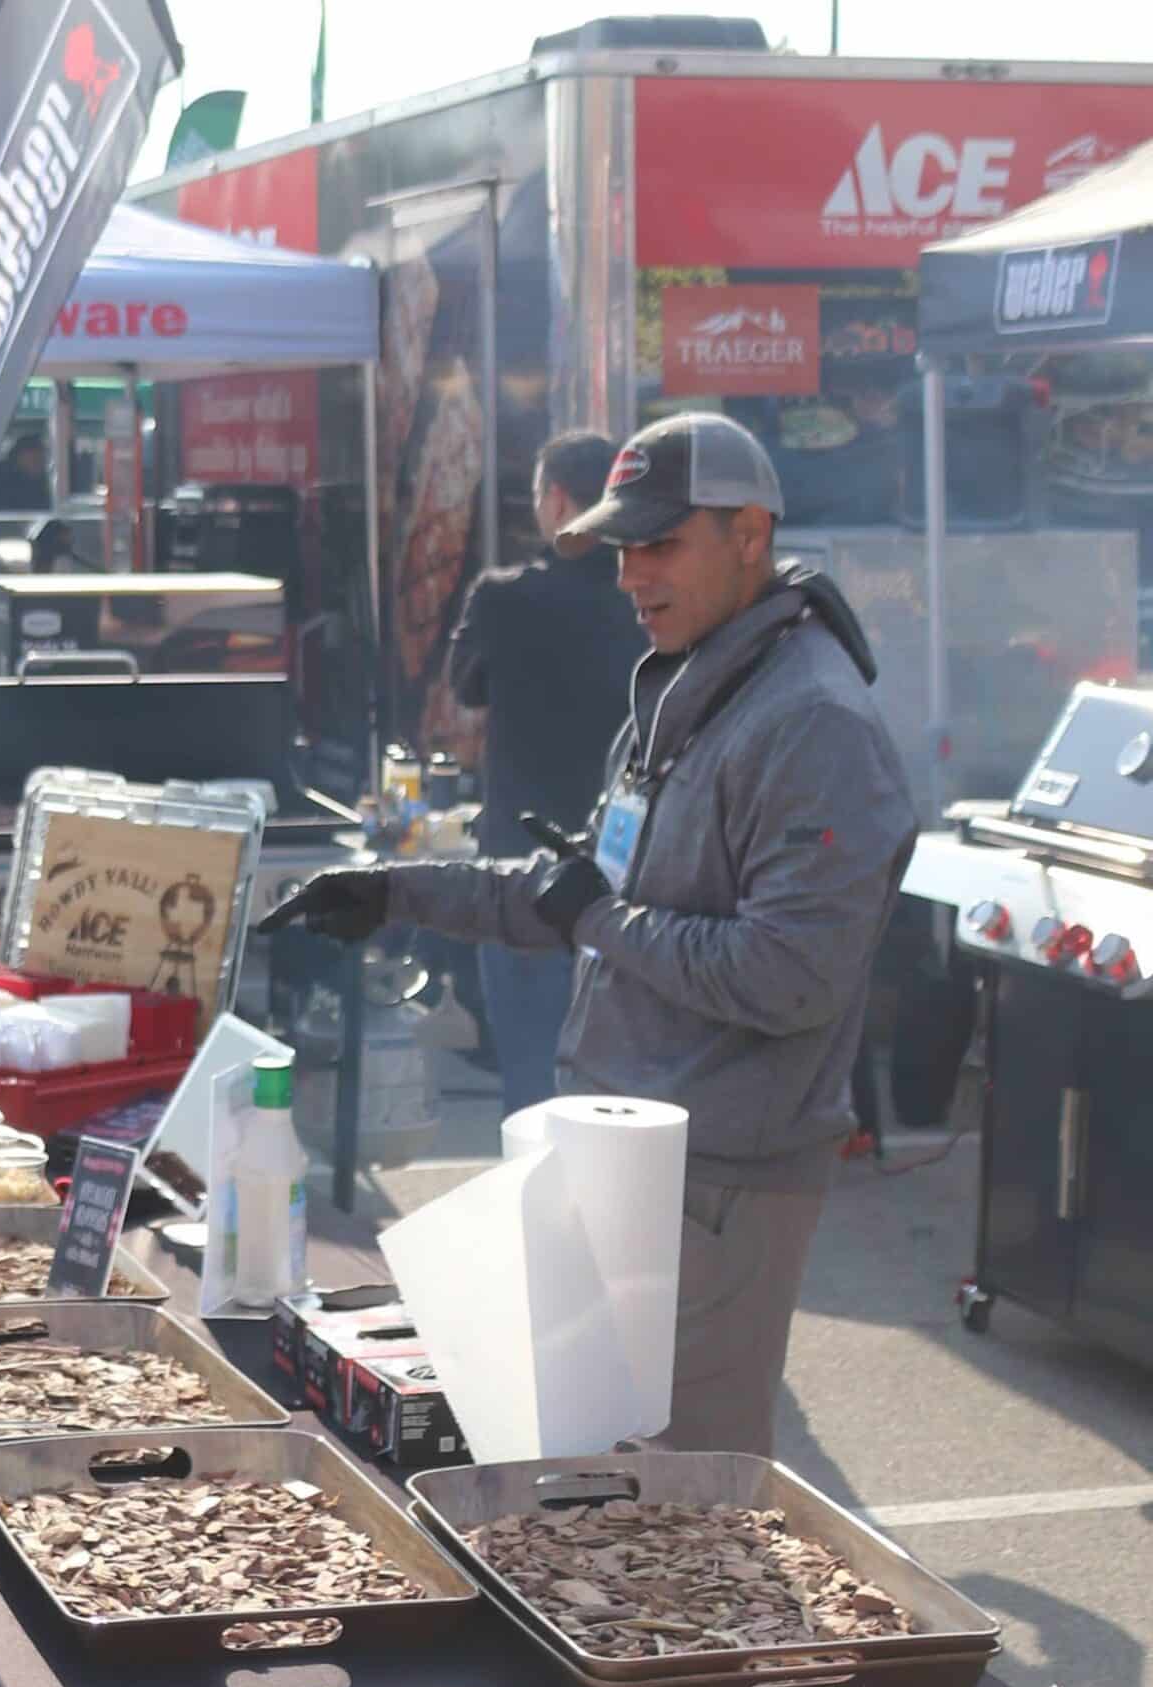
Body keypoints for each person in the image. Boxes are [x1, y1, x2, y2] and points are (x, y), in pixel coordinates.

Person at [271, 413, 914, 1459]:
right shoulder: (693, 683)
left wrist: (599, 918)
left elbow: (788, 975)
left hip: (718, 1184)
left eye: (660, 544)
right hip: (626, 1157)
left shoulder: (810, 723)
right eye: (621, 547)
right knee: (591, 1486)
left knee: (682, 1510)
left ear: (750, 533)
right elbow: (581, 888)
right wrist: (393, 891)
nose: (629, 574)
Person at [443, 431, 644, 1116]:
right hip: (634, 872)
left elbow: (464, 688)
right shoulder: (649, 598)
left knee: (532, 1083)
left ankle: (541, 1210)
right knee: (626, 1084)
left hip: (523, 867)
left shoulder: (503, 600)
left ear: (556, 501)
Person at [0, 431, 53, 512]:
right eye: (33, 458)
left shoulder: (47, 487)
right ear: (17, 457)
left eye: (41, 458)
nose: (38, 461)